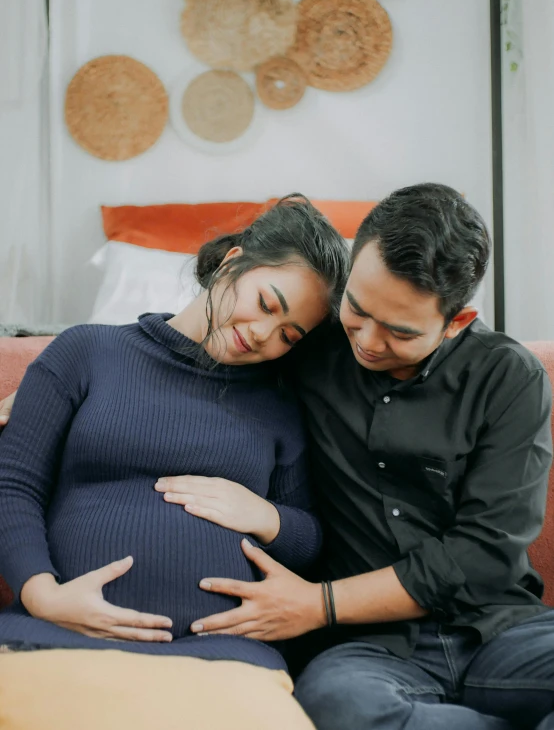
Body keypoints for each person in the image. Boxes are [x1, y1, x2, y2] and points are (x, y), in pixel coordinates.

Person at [140, 184, 552, 730]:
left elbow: (484, 552)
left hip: (500, 629)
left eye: (401, 332)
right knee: (340, 708)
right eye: (358, 308)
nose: (369, 341)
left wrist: (319, 604)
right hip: (368, 652)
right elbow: (200, 335)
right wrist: (53, 386)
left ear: (456, 320)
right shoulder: (307, 340)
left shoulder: (508, 377)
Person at [0, 194, 350, 673]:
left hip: (223, 654)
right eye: (266, 303)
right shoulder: (87, 351)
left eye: (289, 335)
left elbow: (311, 542)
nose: (264, 334)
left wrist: (266, 515)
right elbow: (13, 483)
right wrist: (43, 598)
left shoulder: (281, 404)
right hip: (56, 634)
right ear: (232, 262)